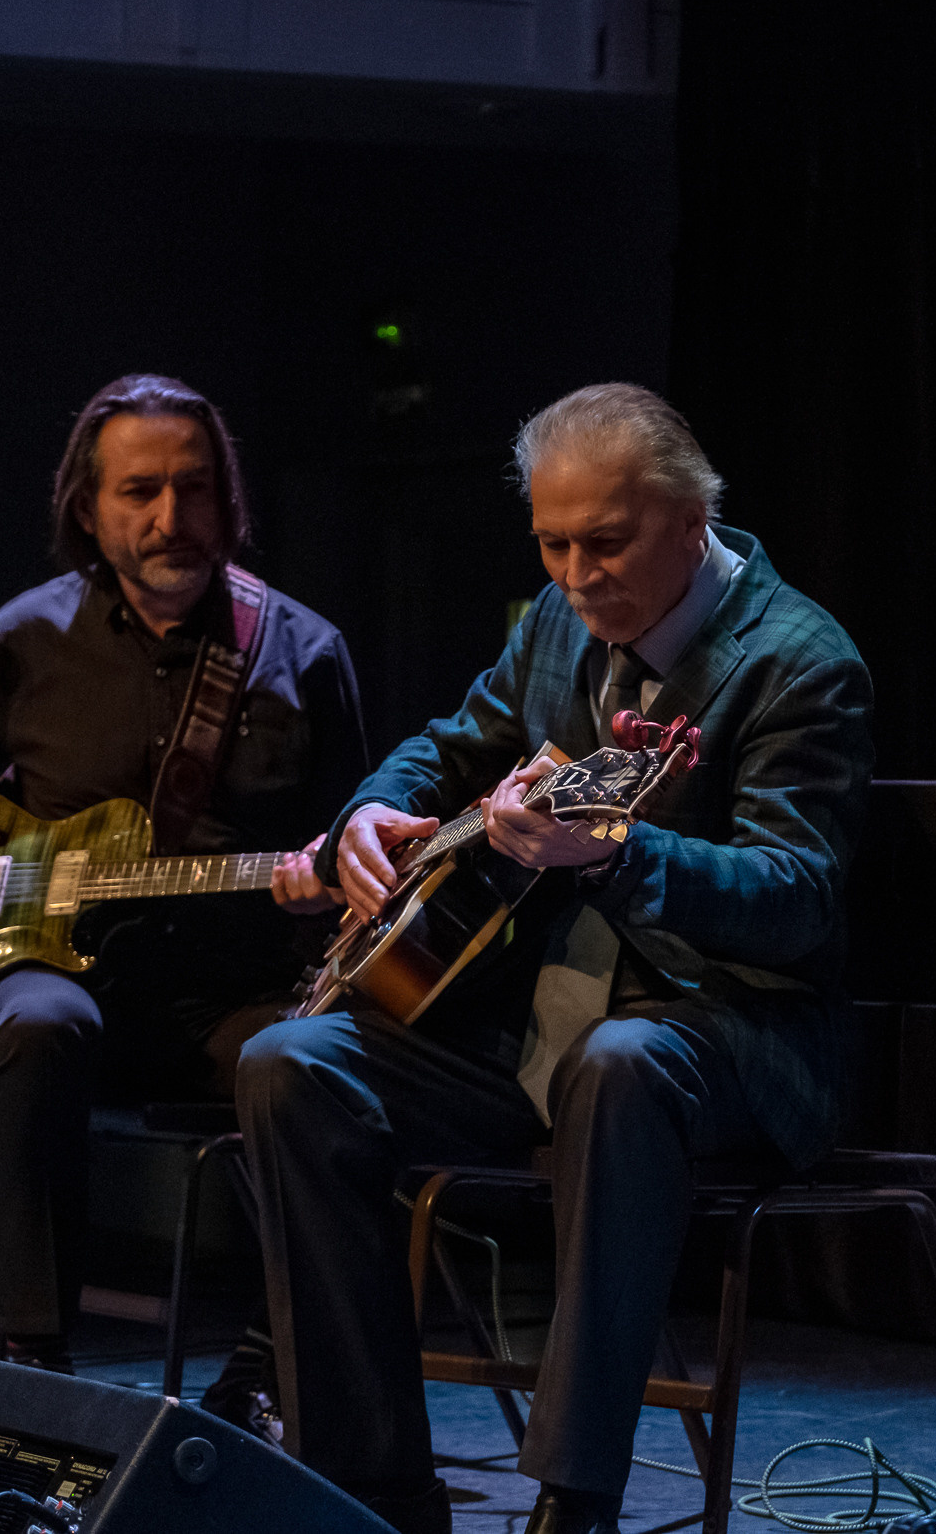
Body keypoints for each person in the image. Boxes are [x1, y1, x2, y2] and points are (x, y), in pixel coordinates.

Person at [232, 382, 874, 1534]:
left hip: (726, 1036)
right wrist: (371, 813)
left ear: (692, 520)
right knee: (293, 1062)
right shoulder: (552, 626)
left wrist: (618, 857)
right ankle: (369, 1490)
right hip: (538, 1032)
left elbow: (800, 902)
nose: (576, 575)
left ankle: (577, 1499)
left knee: (622, 1065)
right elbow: (446, 744)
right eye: (552, 542)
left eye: (605, 544)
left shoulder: (797, 660)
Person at [0, 372, 366, 1373]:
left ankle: (265, 1364)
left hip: (230, 992)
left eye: (196, 487)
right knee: (38, 1022)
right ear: (88, 506)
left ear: (228, 498)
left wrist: (331, 888)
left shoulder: (307, 650)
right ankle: (38, 1361)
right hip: (62, 973)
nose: (173, 516)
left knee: (319, 1066)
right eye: (141, 491)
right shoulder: (25, 635)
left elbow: (354, 837)